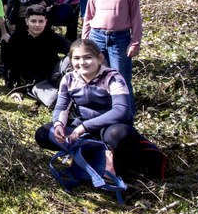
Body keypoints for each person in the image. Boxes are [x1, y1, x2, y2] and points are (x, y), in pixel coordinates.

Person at [34, 39, 139, 177]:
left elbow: (122, 111)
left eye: (88, 57)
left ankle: (110, 162)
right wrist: (59, 124)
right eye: (76, 58)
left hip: (110, 126)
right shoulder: (69, 78)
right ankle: (95, 152)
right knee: (43, 134)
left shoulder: (113, 77)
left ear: (100, 58)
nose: (82, 62)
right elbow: (61, 106)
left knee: (118, 135)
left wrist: (83, 127)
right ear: (70, 60)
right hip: (82, 126)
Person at [82, 0, 142, 111]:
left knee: (120, 76)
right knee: (97, 73)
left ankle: (125, 111)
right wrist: (85, 42)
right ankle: (102, 108)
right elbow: (88, 19)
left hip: (120, 39)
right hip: (97, 38)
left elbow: (136, 19)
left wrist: (135, 42)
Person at [3, 5, 71, 106]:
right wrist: (15, 89)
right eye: (33, 21)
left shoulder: (50, 35)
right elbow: (10, 65)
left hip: (54, 74)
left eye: (41, 21)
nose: (37, 25)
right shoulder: (17, 38)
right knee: (54, 100)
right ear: (26, 21)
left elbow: (71, 48)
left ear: (46, 21)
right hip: (36, 82)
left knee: (75, 55)